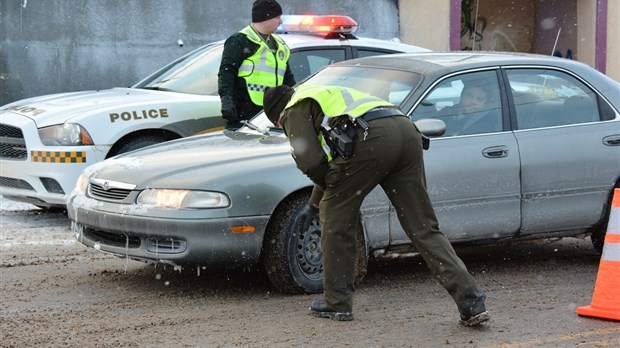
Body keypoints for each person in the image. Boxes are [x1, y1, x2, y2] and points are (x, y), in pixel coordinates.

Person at [262, 83, 490, 326]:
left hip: (373, 138)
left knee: (335, 221)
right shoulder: (321, 94)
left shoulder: (292, 108)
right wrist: (314, 202)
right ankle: (471, 300)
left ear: (277, 117)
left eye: (279, 125)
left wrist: (329, 198)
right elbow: (335, 157)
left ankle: (337, 302)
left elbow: (311, 160)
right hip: (404, 130)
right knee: (423, 227)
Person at [217, 0, 296, 129]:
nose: (280, 22)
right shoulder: (240, 41)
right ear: (266, 17)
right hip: (245, 113)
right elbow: (226, 72)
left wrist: (295, 100)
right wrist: (226, 100)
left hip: (274, 113)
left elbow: (288, 79)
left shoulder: (280, 45)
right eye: (277, 17)